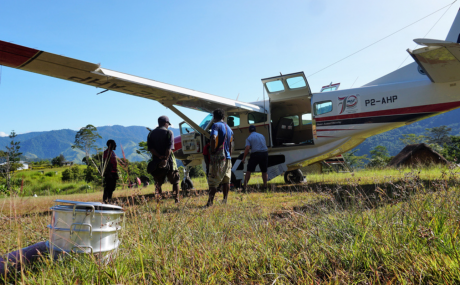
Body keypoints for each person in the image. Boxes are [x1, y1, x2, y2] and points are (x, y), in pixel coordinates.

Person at [147, 115, 180, 203]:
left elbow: (151, 148)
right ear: (165, 123)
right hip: (169, 160)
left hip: (156, 161)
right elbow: (169, 148)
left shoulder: (151, 134)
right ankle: (176, 199)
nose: (168, 125)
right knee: (175, 181)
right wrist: (165, 158)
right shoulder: (169, 133)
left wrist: (159, 156)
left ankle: (158, 200)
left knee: (158, 183)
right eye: (167, 124)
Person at [206, 108, 233, 206]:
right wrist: (229, 154)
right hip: (228, 157)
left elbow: (213, 137)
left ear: (214, 117)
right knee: (226, 180)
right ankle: (225, 200)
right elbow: (230, 143)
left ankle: (210, 202)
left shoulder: (215, 125)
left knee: (213, 180)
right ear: (223, 117)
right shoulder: (228, 127)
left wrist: (213, 150)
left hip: (218, 158)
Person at [241, 125, 269, 191]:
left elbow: (247, 148)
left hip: (255, 154)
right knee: (264, 171)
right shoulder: (262, 136)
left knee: (249, 171)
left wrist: (244, 158)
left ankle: (245, 186)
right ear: (256, 130)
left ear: (249, 131)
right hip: (264, 153)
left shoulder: (249, 138)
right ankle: (265, 186)